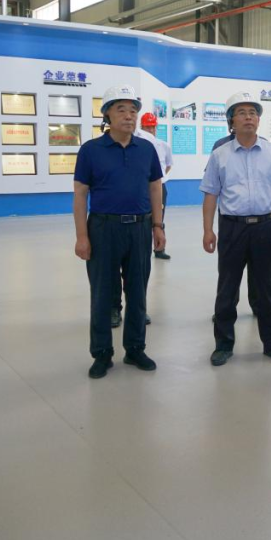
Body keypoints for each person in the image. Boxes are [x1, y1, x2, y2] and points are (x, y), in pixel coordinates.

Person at [73, 85, 164, 379]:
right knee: (102, 293)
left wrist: (158, 226)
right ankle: (102, 353)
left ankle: (135, 348)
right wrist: (82, 236)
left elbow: (155, 187)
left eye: (133, 110)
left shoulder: (146, 149)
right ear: (107, 115)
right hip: (103, 228)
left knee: (137, 292)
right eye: (121, 109)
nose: (128, 116)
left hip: (140, 228)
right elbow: (80, 194)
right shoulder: (91, 150)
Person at [201, 91, 271, 367]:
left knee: (267, 289)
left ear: (259, 119)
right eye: (241, 113)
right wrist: (208, 230)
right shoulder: (220, 155)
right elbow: (210, 195)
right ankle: (223, 344)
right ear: (231, 121)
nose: (248, 117)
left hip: (266, 227)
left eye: (253, 113)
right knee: (227, 289)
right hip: (232, 228)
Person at [136, 112, 174, 261]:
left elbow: (168, 165)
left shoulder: (163, 145)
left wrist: (157, 180)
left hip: (159, 186)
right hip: (141, 187)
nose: (150, 130)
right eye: (147, 127)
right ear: (142, 127)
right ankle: (140, 249)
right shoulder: (136, 144)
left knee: (159, 218)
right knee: (141, 218)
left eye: (152, 127)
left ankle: (159, 249)